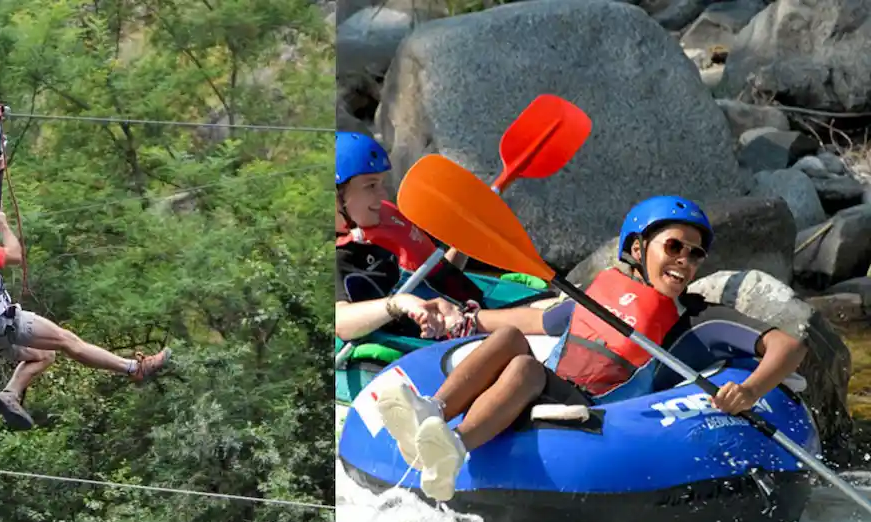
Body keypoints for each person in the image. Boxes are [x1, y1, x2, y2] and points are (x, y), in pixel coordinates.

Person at [372, 196, 808, 502]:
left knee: (524, 367)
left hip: (598, 412)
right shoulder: (598, 293)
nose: (685, 261)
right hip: (552, 386)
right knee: (507, 342)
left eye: (694, 255)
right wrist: (468, 320)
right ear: (637, 249)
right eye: (674, 247)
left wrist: (749, 391)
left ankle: (455, 448)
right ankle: (432, 411)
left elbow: (788, 347)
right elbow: (536, 322)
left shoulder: (698, 318)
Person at [0, 158, 172, 431]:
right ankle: (134, 368)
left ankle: (10, 394)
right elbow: (15, 255)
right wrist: (3, 226)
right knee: (66, 340)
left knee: (44, 354)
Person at [334, 131, 553, 343]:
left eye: (381, 183)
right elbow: (340, 321)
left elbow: (432, 277)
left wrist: (467, 238)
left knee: (556, 305)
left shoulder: (384, 224)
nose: (382, 195)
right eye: (370, 186)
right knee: (556, 316)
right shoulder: (342, 256)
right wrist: (398, 303)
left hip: (469, 307)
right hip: (448, 326)